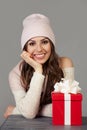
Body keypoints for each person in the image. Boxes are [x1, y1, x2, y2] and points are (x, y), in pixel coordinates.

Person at [4, 13, 74, 119]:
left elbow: (69, 108)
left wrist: (16, 110)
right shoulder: (15, 74)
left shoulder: (65, 64)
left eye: (44, 42)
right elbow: (29, 113)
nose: (39, 49)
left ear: (51, 44)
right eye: (32, 44)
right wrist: (38, 70)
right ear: (25, 48)